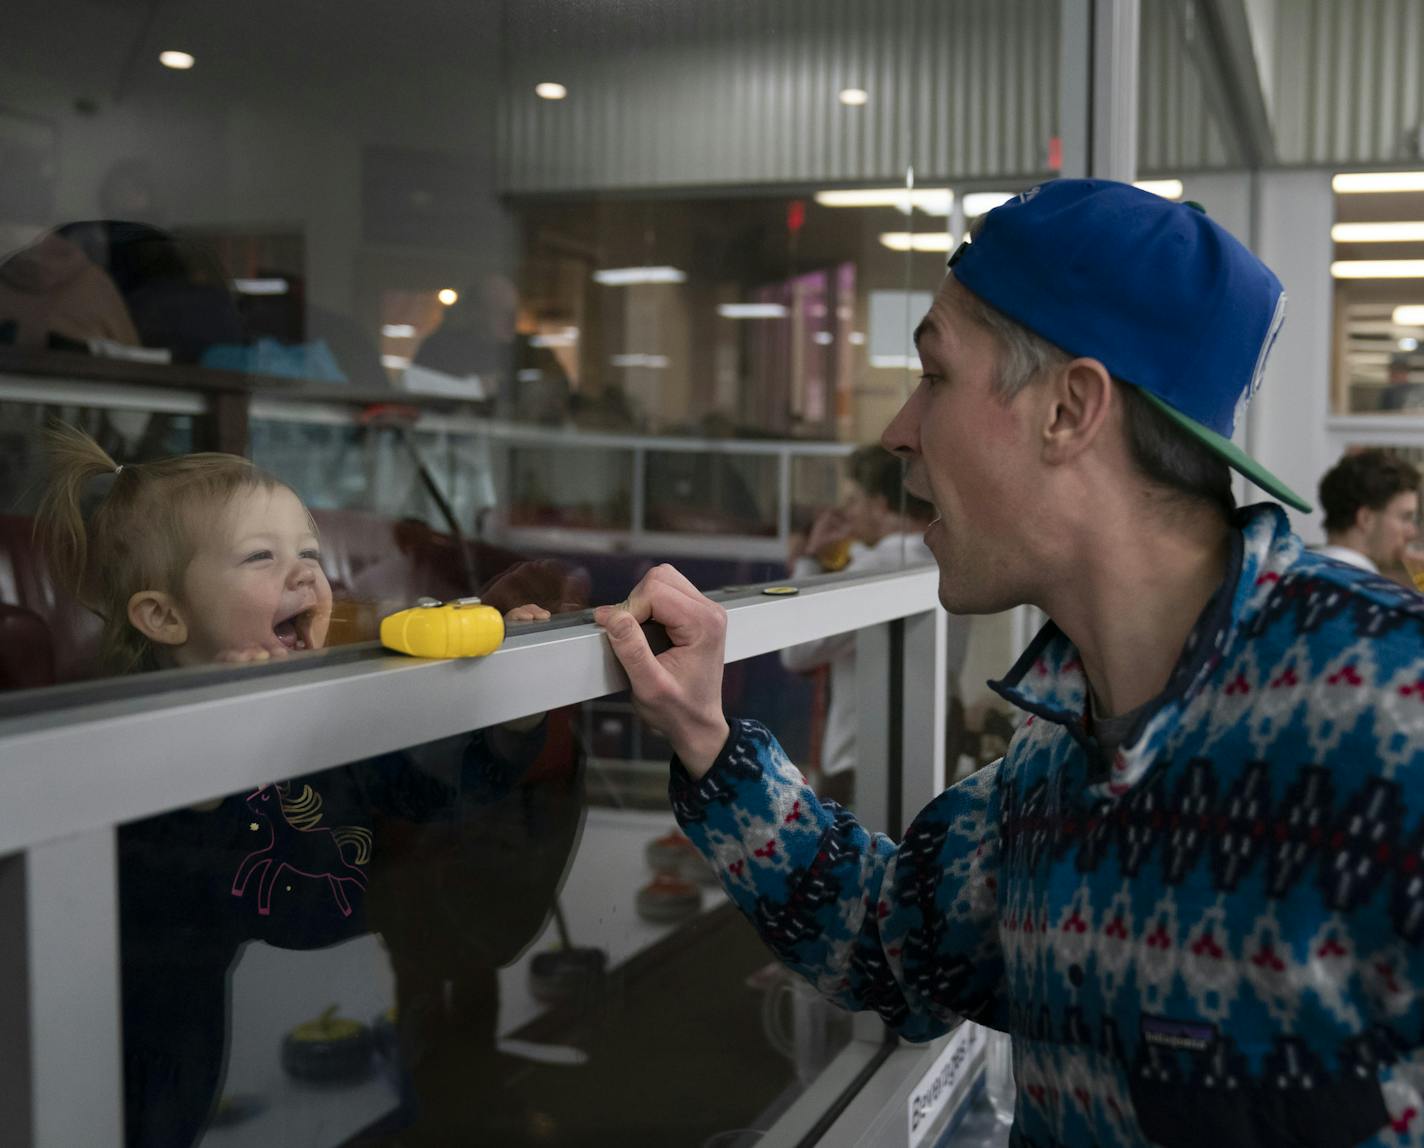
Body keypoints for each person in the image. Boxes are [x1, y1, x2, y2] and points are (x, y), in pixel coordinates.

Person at [593, 180, 1424, 1146]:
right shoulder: (1056, 760)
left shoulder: (1389, 713)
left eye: (934, 376)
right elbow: (884, 939)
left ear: (1070, 409)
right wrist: (704, 732)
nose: (898, 429)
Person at [35, 424, 566, 1147]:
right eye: (262, 557)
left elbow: (429, 794)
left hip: (324, 977)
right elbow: (134, 885)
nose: (307, 576)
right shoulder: (130, 737)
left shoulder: (328, 703)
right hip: (150, 1012)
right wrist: (208, 770)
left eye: (310, 556)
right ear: (163, 616)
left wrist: (513, 712)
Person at [781, 444, 968, 807]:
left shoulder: (877, 568)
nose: (847, 513)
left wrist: (808, 560)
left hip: (862, 763)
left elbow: (797, 651)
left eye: (854, 500)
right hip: (927, 754)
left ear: (881, 505)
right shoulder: (949, 557)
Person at [1315, 448, 1420, 575]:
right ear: (1365, 518)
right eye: (1405, 518)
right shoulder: (1366, 589)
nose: (1412, 532)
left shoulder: (1297, 574)